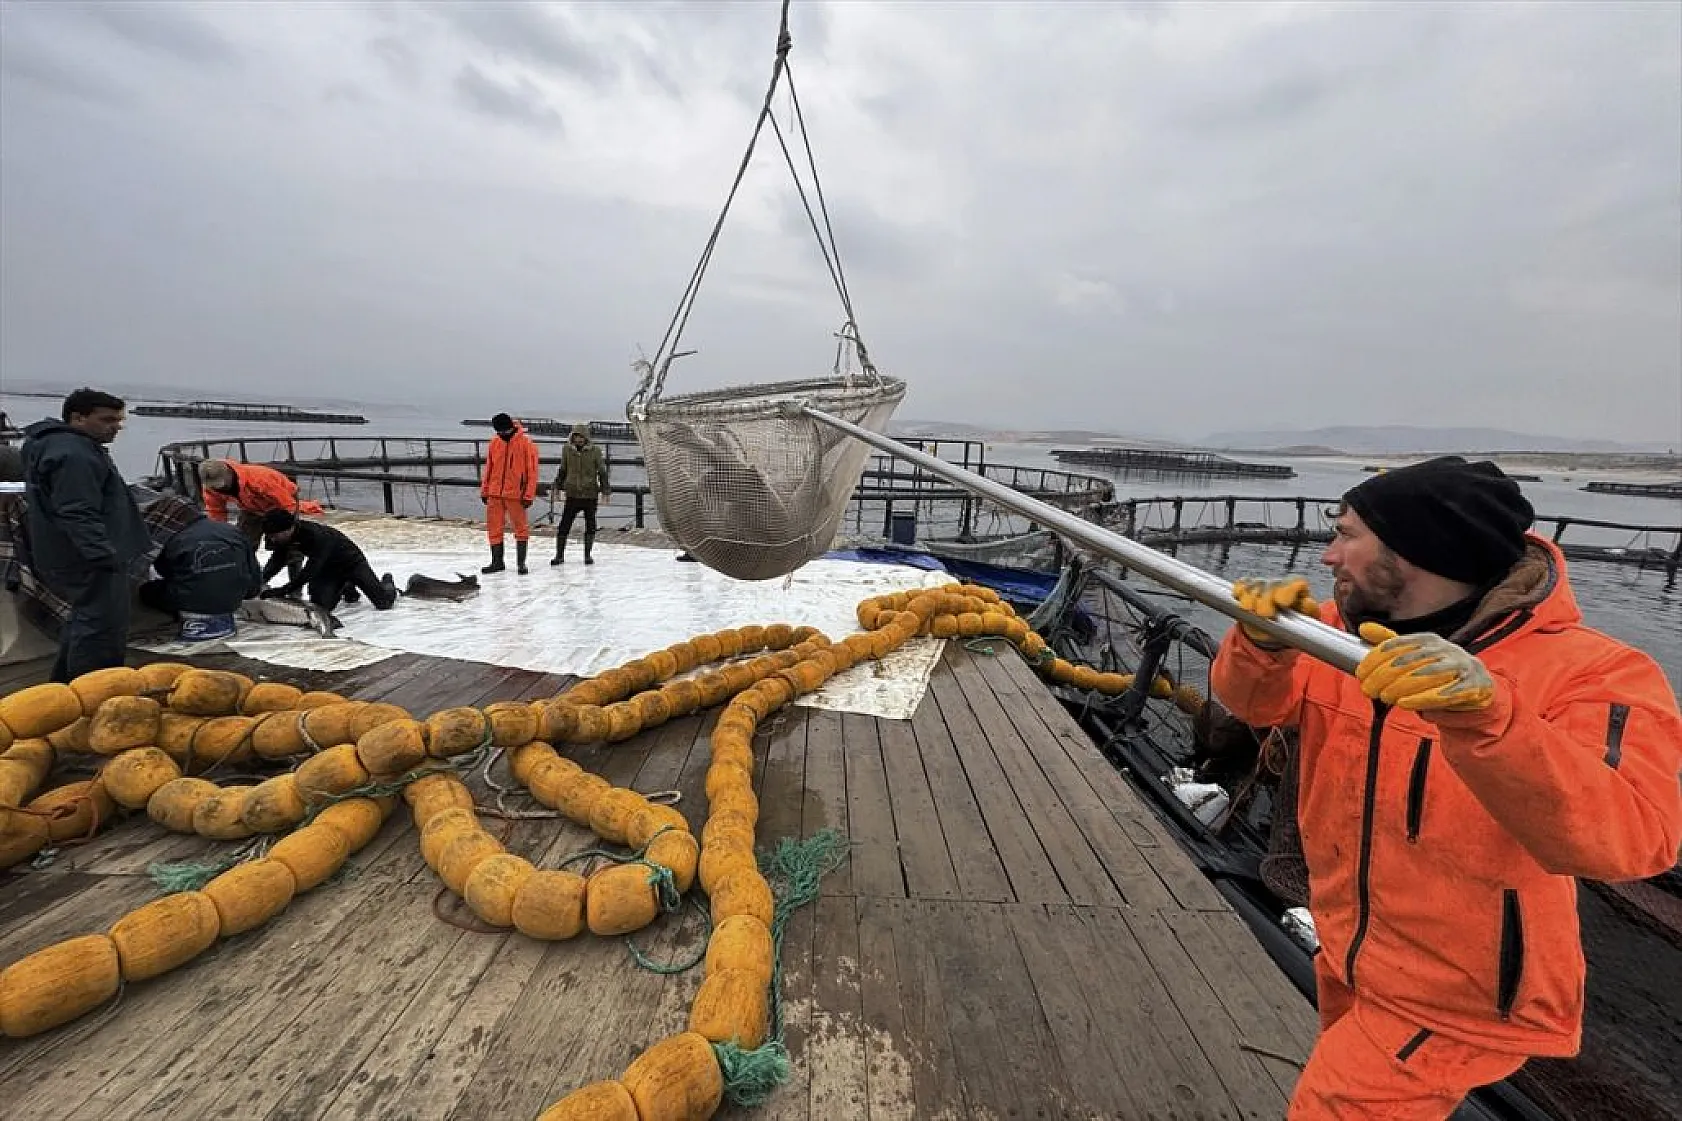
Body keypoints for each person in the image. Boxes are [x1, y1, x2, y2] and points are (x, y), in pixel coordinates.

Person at [1211, 456, 1682, 1121]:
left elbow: (1635, 837)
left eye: (1347, 534)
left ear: (1415, 549)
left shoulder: (1595, 672)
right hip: (1352, 949)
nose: (1327, 554)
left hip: (1459, 993)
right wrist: (1260, 643)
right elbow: (1255, 704)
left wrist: (1491, 717)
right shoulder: (1337, 634)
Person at [19, 389, 152, 682]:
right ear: (77, 418)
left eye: (119, 420)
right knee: (101, 630)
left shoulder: (54, 445)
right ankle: (94, 692)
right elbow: (77, 511)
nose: (116, 426)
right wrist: (104, 554)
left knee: (85, 621)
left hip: (70, 553)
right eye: (107, 419)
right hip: (89, 558)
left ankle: (64, 689)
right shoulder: (74, 455)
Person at [139, 496, 263, 641]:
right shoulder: (233, 531)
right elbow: (254, 573)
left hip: (191, 601)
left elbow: (163, 572)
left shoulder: (171, 537)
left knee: (147, 590)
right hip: (233, 599)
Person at [257, 510, 396, 612]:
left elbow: (310, 570)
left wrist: (283, 590)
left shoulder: (317, 535)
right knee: (321, 607)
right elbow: (277, 560)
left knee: (384, 604)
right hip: (327, 569)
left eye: (275, 536)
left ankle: (387, 582)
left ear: (289, 528)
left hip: (351, 563)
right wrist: (260, 581)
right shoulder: (280, 537)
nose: (272, 540)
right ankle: (346, 586)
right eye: (270, 536)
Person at [198, 458, 325, 545]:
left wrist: (288, 526)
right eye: (214, 485)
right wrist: (220, 534)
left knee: (287, 544)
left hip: (279, 505)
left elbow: (287, 505)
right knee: (242, 543)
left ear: (228, 472)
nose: (219, 488)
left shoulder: (260, 479)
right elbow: (216, 512)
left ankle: (293, 572)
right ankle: (248, 575)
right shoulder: (211, 488)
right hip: (250, 508)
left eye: (221, 483)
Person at [480, 413, 539, 575]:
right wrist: (485, 490)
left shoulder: (526, 443)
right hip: (495, 493)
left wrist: (528, 495)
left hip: (516, 494)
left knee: (521, 529)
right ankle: (497, 562)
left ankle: (521, 563)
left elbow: (532, 472)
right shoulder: (494, 443)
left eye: (503, 431)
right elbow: (489, 468)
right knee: (494, 528)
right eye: (498, 432)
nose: (501, 434)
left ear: (510, 427)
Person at [550, 422, 610, 566]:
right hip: (572, 493)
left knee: (590, 524)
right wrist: (557, 487)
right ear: (573, 437)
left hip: (590, 494)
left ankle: (587, 555)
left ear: (586, 437)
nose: (579, 440)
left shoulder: (595, 451)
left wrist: (605, 491)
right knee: (564, 524)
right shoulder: (567, 450)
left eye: (581, 437)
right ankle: (559, 555)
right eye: (576, 437)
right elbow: (563, 469)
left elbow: (602, 472)